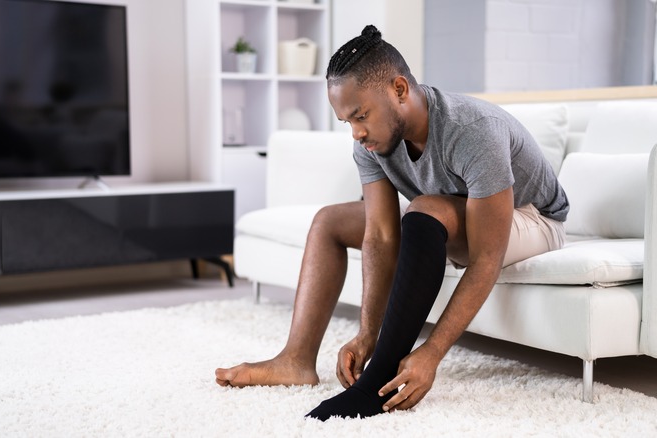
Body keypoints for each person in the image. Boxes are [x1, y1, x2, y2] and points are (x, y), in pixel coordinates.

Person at [215, 25, 569, 421]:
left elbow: (487, 256)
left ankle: (377, 384)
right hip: (449, 213)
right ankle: (295, 360)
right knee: (330, 221)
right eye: (347, 121)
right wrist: (367, 332)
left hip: (532, 219)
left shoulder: (473, 131)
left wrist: (431, 353)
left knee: (426, 208)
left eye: (361, 115)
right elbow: (381, 235)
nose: (356, 132)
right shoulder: (371, 143)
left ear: (399, 90)